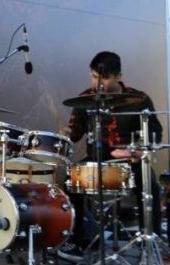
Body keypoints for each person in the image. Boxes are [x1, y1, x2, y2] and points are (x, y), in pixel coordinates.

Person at [63, 51, 163, 248]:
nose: (98, 83)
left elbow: (155, 134)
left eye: (105, 78)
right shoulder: (85, 99)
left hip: (129, 162)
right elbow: (74, 134)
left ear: (119, 76)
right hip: (96, 161)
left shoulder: (139, 100)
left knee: (150, 185)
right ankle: (78, 239)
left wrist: (139, 152)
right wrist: (66, 133)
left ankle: (151, 241)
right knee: (69, 181)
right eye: (94, 76)